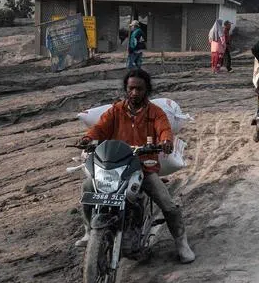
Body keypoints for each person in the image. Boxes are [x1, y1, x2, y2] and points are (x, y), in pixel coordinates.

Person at [75, 69, 194, 263]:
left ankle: (182, 243)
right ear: (126, 89)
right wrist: (88, 138)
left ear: (147, 90)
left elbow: (164, 129)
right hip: (116, 166)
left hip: (143, 166)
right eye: (131, 88)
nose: (135, 93)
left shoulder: (155, 113)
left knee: (168, 205)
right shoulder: (116, 110)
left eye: (139, 89)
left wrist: (165, 141)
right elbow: (100, 127)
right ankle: (89, 230)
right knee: (88, 187)